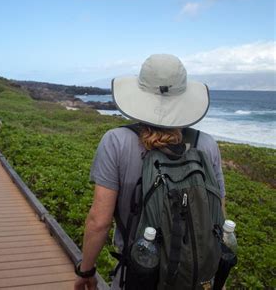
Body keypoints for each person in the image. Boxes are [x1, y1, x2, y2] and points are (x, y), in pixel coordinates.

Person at [74, 54, 226, 290]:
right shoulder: (206, 145)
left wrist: (86, 270)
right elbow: (219, 217)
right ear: (184, 96)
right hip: (195, 279)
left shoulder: (116, 141)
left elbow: (99, 222)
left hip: (137, 276)